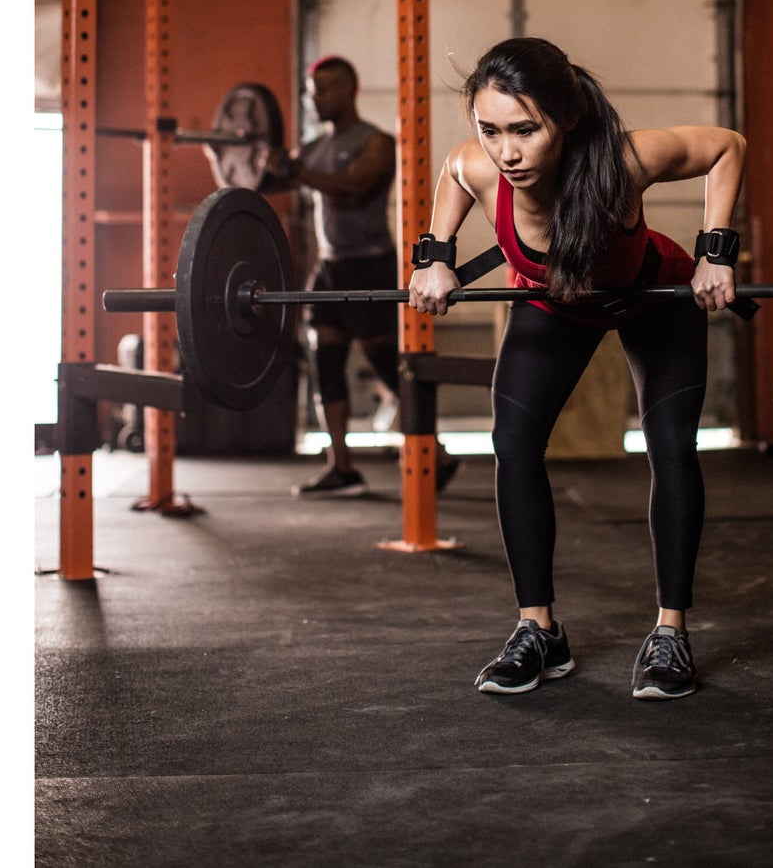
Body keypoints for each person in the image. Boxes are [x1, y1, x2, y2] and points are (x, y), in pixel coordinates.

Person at [407, 37, 745, 700]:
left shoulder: (625, 161)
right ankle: (538, 631)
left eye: (524, 130)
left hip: (652, 297)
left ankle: (670, 632)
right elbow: (452, 170)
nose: (506, 152)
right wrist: (435, 256)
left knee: (671, 447)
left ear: (565, 117)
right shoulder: (478, 166)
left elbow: (726, 146)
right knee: (513, 444)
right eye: (490, 130)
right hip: (554, 304)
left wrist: (716, 252)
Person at [285, 55, 460, 498]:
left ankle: (436, 453)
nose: (315, 99)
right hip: (329, 268)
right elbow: (264, 179)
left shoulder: (376, 142)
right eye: (311, 92)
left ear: (350, 89)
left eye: (324, 89)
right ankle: (340, 466)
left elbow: (354, 188)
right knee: (326, 363)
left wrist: (294, 170)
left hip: (370, 264)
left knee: (386, 363)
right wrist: (229, 154)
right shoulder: (311, 148)